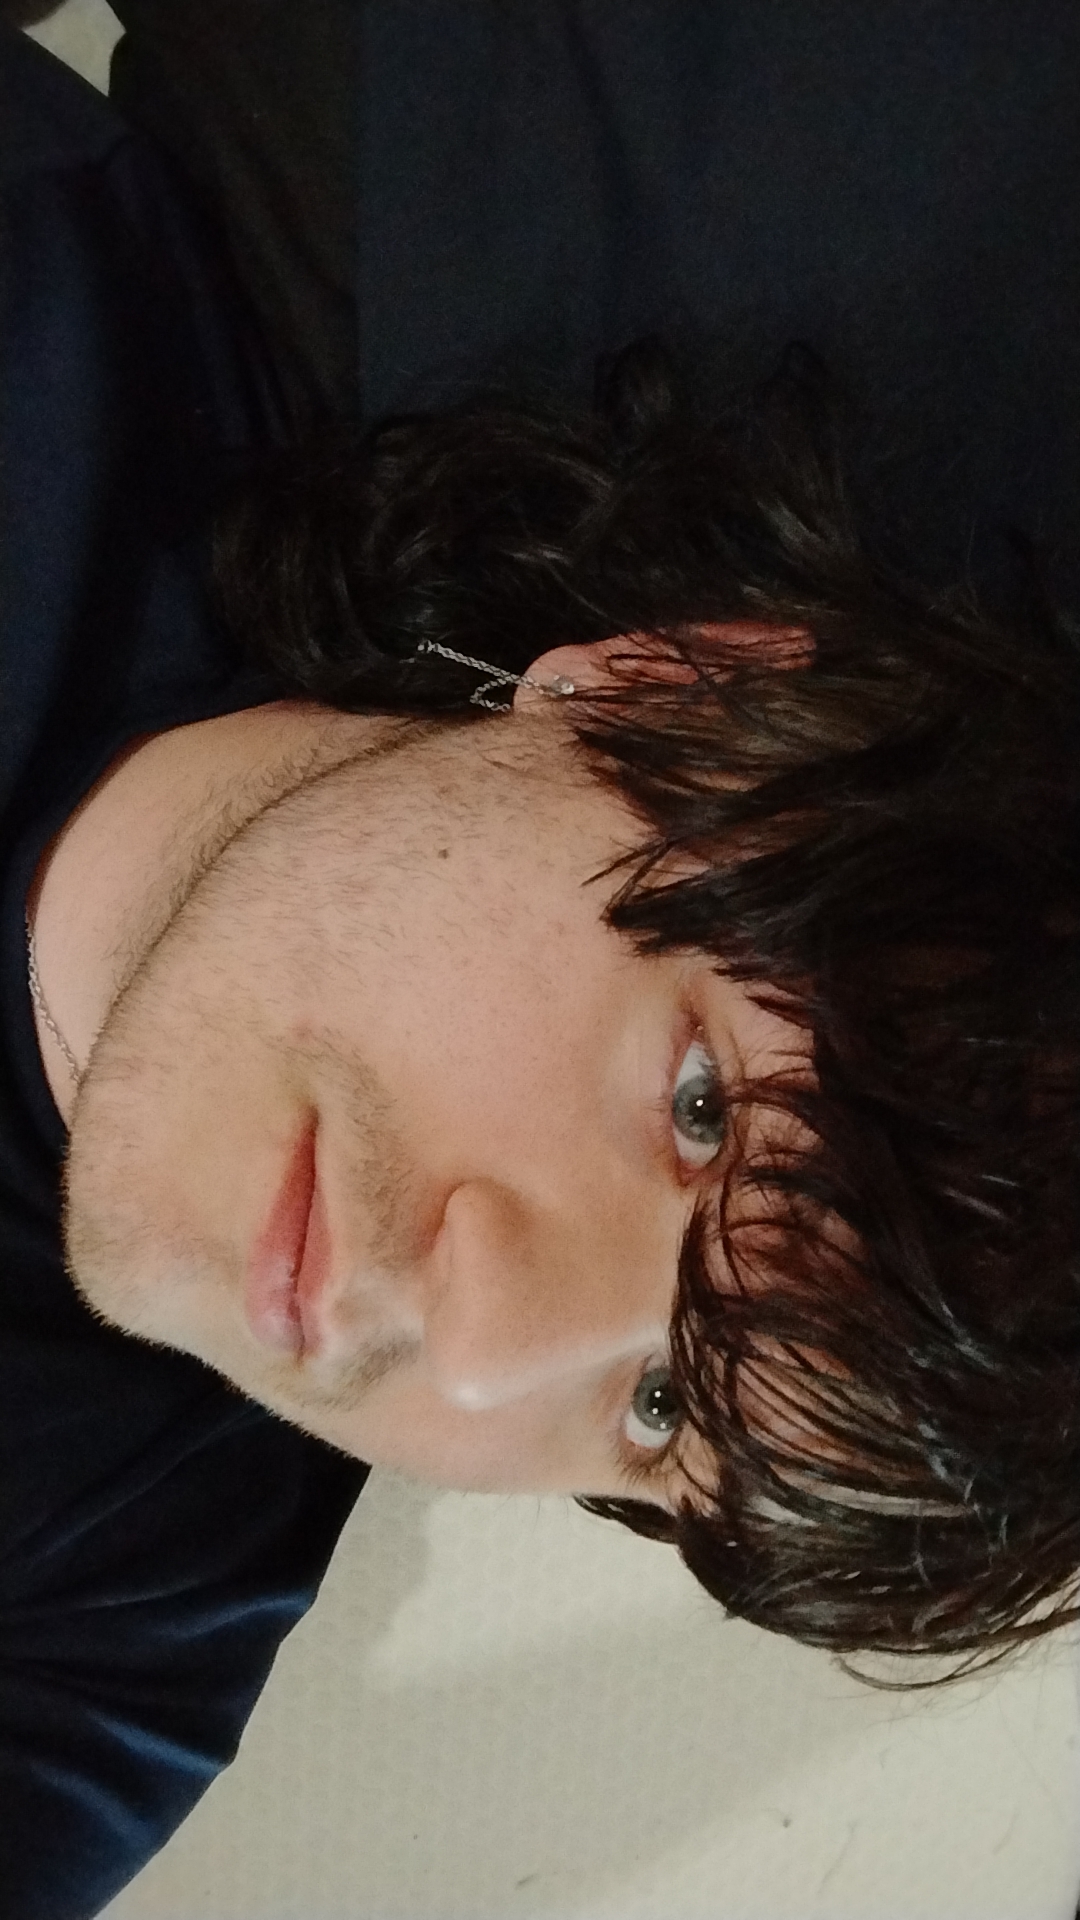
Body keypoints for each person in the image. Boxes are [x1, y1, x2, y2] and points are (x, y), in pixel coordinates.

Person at [3, 6, 1080, 1918]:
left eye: (659, 1415)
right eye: (700, 1109)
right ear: (667, 699)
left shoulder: (118, 1590)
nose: (485, 1346)